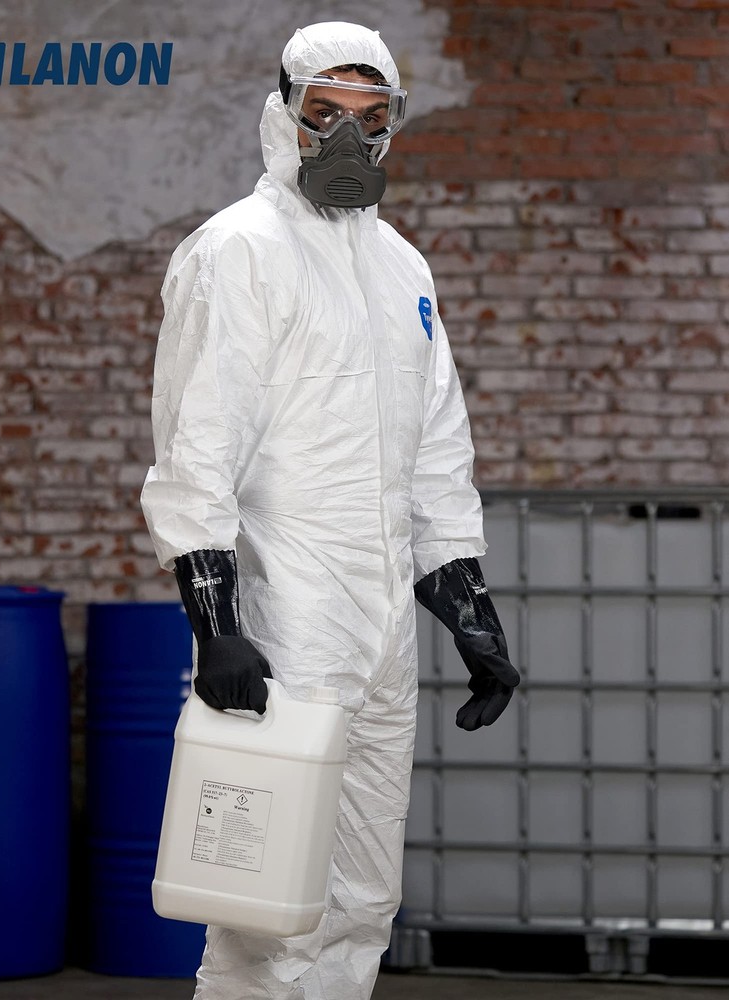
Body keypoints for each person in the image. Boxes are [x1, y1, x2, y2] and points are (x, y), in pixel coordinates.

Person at [140, 20, 520, 1000]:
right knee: (267, 911)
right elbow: (197, 449)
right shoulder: (238, 252)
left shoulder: (402, 270)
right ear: (285, 116)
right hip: (287, 624)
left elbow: (433, 456)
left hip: (382, 626)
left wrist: (472, 618)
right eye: (325, 113)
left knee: (361, 900)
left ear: (393, 124)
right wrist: (216, 626)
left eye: (369, 115)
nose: (348, 136)